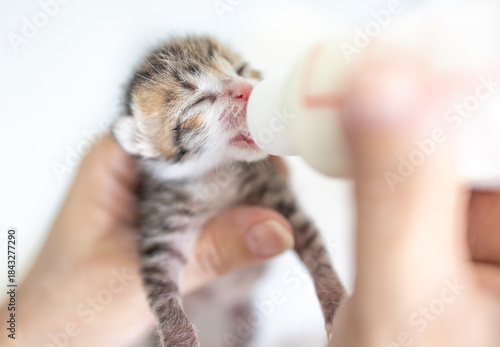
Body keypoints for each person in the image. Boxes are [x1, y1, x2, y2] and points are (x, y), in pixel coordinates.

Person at [2, 66, 499, 347]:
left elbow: (301, 227)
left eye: (238, 74)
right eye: (200, 106)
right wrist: (22, 330)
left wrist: (330, 298)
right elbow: (158, 274)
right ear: (147, 146)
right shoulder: (164, 197)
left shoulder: (254, 170)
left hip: (242, 310)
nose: (242, 92)